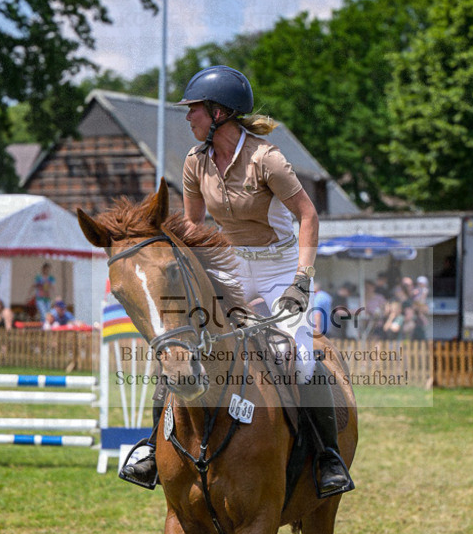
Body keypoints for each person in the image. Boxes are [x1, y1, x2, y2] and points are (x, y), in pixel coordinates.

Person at [122, 65, 353, 497]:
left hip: (280, 266)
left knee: (297, 356)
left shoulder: (267, 159)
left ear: (220, 113)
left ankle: (326, 458)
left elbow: (308, 215)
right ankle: (151, 449)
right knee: (181, 346)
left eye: (195, 110)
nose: (188, 117)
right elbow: (193, 226)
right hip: (228, 266)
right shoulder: (194, 162)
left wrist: (302, 279)